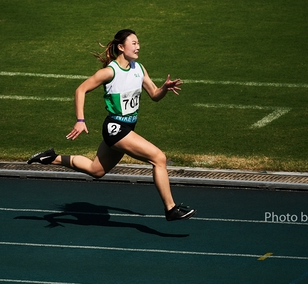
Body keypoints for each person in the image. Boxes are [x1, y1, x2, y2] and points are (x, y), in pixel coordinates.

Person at [28, 29, 195, 221]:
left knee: (96, 170)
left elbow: (154, 95)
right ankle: (171, 209)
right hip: (115, 128)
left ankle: (50, 158)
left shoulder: (139, 68)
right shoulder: (109, 72)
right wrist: (80, 120)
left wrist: (164, 88)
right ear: (121, 47)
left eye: (138, 42)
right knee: (159, 158)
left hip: (127, 128)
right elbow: (80, 90)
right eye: (134, 43)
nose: (138, 46)